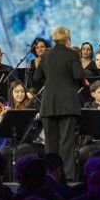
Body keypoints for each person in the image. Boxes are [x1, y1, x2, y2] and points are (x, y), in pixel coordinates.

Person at [33, 26, 86, 183]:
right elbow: (78, 75)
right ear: (67, 39)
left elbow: (36, 78)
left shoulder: (46, 55)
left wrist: (51, 83)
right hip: (68, 103)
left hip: (49, 103)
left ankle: (50, 175)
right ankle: (67, 177)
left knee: (50, 143)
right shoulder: (72, 54)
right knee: (66, 142)